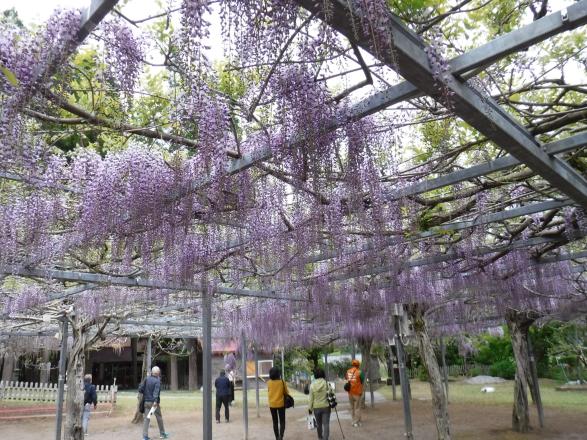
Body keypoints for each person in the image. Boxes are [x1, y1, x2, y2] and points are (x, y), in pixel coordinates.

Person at [139, 366, 169, 440]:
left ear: (152, 372)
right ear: (158, 373)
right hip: (154, 404)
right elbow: (156, 392)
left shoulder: (147, 379)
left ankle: (145, 436)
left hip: (146, 402)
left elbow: (140, 389)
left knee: (147, 419)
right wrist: (155, 401)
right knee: (159, 417)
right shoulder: (157, 381)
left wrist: (146, 394)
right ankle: (162, 434)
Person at [308, 368, 331, 440]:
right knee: (326, 424)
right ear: (323, 374)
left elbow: (311, 398)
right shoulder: (327, 383)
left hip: (316, 407)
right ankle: (325, 438)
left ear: (315, 375)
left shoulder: (312, 385)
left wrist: (310, 408)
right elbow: (331, 394)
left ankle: (320, 437)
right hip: (326, 407)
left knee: (318, 424)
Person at [267, 366, 288, 440]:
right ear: (278, 374)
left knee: (275, 422)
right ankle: (281, 436)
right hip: (281, 404)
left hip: (272, 404)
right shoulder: (282, 382)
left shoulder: (269, 383)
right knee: (282, 421)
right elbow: (286, 392)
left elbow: (269, 391)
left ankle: (276, 437)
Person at [345, 359, 365, 427]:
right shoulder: (360, 372)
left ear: (352, 365)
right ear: (358, 365)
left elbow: (347, 379)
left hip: (350, 392)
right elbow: (362, 381)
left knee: (352, 407)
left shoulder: (348, 371)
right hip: (357, 392)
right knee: (357, 408)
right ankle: (356, 422)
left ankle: (353, 420)